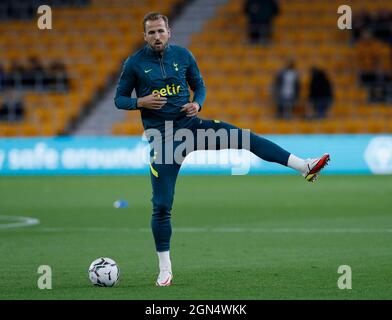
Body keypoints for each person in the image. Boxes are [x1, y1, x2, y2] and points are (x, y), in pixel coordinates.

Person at [114, 12, 330, 287]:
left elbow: (199, 85)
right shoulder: (134, 63)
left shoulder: (183, 56)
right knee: (162, 206)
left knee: (245, 138)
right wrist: (140, 102)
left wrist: (198, 103)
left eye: (160, 31)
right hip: (163, 140)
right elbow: (119, 99)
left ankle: (304, 166)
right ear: (145, 36)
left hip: (192, 127)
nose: (157, 36)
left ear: (169, 32)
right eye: (151, 32)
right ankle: (165, 268)